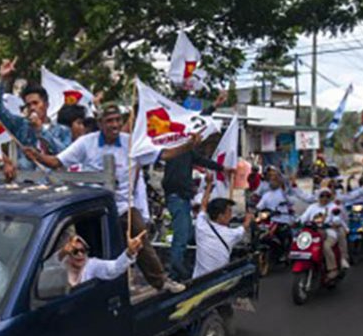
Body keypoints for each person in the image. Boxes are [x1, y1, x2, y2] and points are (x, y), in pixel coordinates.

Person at [24, 103, 199, 293]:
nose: (114, 124)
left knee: (139, 234)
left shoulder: (132, 143)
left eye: (117, 120)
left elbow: (164, 154)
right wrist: (38, 157)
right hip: (90, 207)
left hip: (122, 205)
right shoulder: (86, 143)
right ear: (100, 123)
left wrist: (188, 146)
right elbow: (58, 162)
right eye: (109, 121)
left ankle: (160, 281)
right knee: (80, 244)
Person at [162, 134, 230, 281]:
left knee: (185, 235)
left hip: (182, 199)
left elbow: (203, 161)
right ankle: (176, 274)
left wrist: (222, 168)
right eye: (197, 138)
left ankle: (179, 270)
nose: (199, 141)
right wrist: (188, 189)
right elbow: (173, 181)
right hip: (178, 198)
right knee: (181, 238)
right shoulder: (175, 151)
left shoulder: (187, 152)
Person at [0, 58, 72, 170]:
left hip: (53, 184)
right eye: (28, 105)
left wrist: (41, 130)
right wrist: (2, 79)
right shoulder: (21, 125)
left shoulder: (62, 130)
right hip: (25, 183)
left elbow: (65, 156)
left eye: (35, 103)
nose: (32, 107)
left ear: (46, 104)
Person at [193, 173, 253, 278]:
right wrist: (249, 218)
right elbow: (244, 227)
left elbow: (203, 205)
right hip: (218, 281)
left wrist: (209, 185)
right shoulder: (231, 234)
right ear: (220, 216)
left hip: (198, 279)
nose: (231, 215)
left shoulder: (201, 225)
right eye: (229, 212)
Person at [58, 231, 145, 287]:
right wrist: (62, 253)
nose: (80, 254)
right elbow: (50, 266)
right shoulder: (62, 266)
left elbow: (114, 268)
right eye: (75, 251)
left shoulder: (92, 265)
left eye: (83, 250)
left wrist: (130, 252)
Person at [299, 188, 347, 278]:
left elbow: (337, 218)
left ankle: (332, 269)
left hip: (329, 232)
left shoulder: (333, 207)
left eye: (327, 196)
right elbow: (304, 217)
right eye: (322, 196)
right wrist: (297, 221)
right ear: (318, 196)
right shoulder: (312, 207)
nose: (324, 198)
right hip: (312, 232)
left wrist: (335, 222)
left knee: (325, 246)